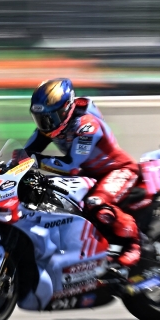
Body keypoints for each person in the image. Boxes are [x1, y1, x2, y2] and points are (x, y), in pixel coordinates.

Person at [23, 78, 147, 268]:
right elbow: (25, 155)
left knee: (96, 202)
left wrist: (35, 160)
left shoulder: (87, 125)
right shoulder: (49, 127)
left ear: (66, 108)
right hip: (89, 174)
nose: (45, 125)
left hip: (119, 170)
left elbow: (70, 166)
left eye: (51, 117)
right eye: (40, 119)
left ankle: (134, 244)